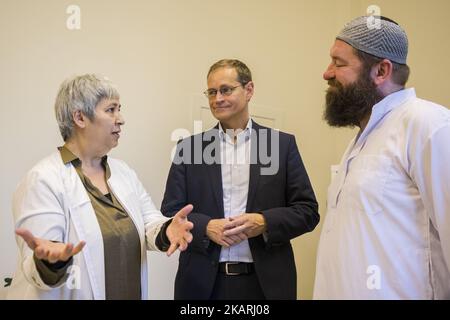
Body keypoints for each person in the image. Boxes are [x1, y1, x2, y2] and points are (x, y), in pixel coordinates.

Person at [8, 74, 194, 300]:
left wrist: (167, 230)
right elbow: (35, 269)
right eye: (111, 110)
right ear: (80, 117)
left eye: (119, 109)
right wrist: (49, 262)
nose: (121, 118)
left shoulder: (123, 172)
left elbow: (149, 223)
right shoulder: (43, 179)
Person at [314, 16, 450, 299]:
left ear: (381, 70)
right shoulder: (359, 140)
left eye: (339, 63)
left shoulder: (428, 125)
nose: (327, 73)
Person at [161, 59, 319, 300]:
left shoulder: (281, 146)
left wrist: (264, 221)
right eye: (212, 92)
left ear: (249, 90)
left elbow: (307, 211)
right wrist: (206, 228)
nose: (217, 99)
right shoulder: (189, 148)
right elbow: (171, 211)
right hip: (202, 285)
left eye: (226, 90)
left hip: (265, 285)